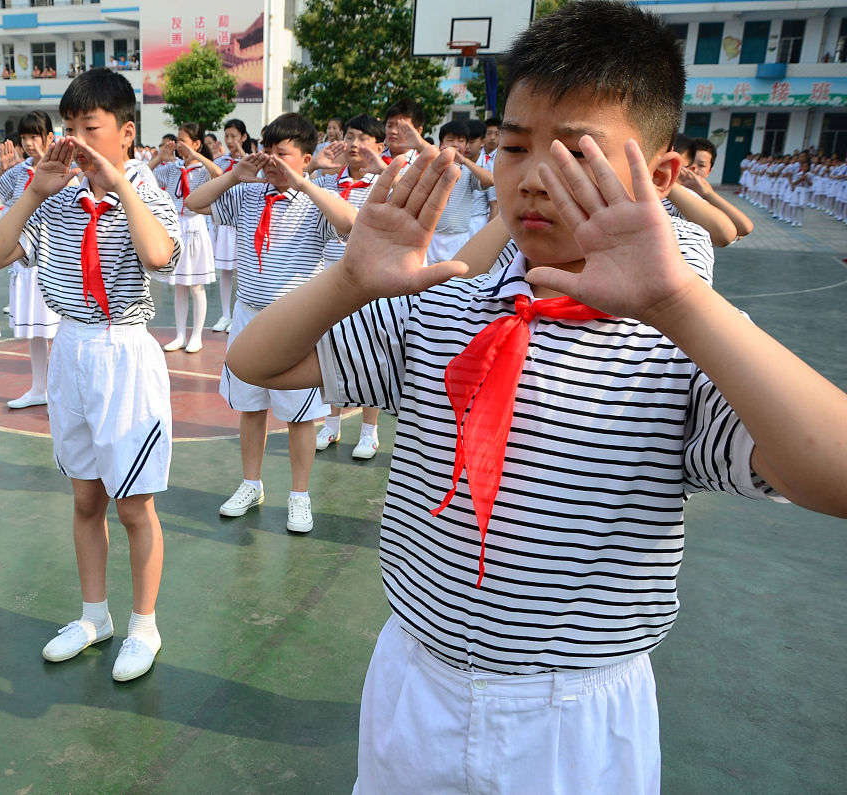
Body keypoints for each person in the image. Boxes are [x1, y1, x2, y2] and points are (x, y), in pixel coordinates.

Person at [225, 2, 847, 790]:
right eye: (515, 147)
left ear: (658, 179)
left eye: (577, 153)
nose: (536, 178)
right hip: (417, 677)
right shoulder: (443, 305)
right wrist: (349, 279)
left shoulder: (678, 344)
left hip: (573, 712)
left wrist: (679, 303)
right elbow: (258, 361)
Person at [0, 68, 182, 682]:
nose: (76, 141)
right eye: (68, 128)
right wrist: (34, 193)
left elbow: (159, 257)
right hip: (71, 346)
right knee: (86, 497)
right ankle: (95, 616)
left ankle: (144, 625)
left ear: (126, 132)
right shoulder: (57, 198)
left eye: (90, 128)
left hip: (124, 352)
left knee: (134, 505)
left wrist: (119, 186)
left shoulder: (147, 194)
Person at [185, 112, 357, 535]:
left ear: (305, 159)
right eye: (268, 152)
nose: (273, 161)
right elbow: (194, 202)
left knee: (299, 415)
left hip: (295, 323)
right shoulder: (248, 194)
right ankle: (251, 484)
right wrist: (235, 175)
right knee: (251, 407)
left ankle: (299, 495)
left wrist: (304, 183)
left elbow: (350, 223)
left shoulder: (317, 198)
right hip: (248, 315)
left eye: (283, 154)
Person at [307, 113, 388, 460]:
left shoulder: (387, 182)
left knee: (371, 353)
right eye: (351, 136)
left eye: (364, 138)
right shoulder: (328, 181)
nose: (355, 144)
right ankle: (332, 423)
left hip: (371, 278)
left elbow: (415, 194)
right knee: (330, 351)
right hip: (330, 275)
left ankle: (369, 432)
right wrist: (313, 165)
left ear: (380, 146)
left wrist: (383, 169)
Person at [0, 111, 61, 409]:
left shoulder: (65, 171)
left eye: (34, 136)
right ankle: (39, 387)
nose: (28, 143)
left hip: (56, 259)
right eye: (24, 137)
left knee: (60, 329)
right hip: (24, 261)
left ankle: (61, 390)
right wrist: (0, 168)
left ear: (49, 137)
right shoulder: (16, 172)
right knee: (35, 331)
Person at [153, 122, 221, 354]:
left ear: (197, 143)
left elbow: (218, 174)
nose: (179, 144)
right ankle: (180, 334)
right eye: (178, 139)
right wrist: (160, 157)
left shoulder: (202, 170)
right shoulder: (173, 169)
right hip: (176, 227)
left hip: (195, 226)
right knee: (179, 286)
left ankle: (197, 335)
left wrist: (196, 156)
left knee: (196, 286)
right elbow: (147, 176)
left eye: (184, 140)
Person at [209, 119, 255, 333]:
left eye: (234, 136)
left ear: (244, 137)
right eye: (227, 136)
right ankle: (225, 315)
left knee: (244, 268)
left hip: (247, 219)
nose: (230, 140)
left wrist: (244, 156)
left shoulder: (253, 160)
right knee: (226, 270)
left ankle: (240, 313)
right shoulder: (220, 162)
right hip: (226, 221)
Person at [428, 120, 493, 262]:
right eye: (451, 139)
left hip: (458, 236)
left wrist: (463, 160)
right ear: (441, 143)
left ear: (466, 145)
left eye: (461, 141)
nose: (456, 144)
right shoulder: (431, 168)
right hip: (431, 234)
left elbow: (490, 180)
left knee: (455, 273)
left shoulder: (469, 171)